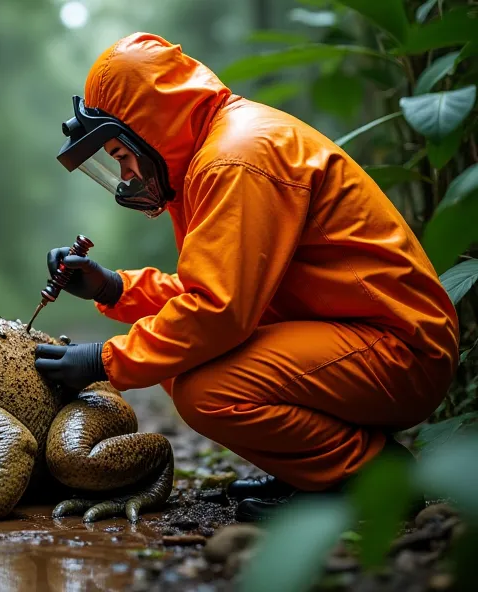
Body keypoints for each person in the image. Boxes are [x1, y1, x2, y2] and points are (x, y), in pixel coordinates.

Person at [33, 32, 460, 522]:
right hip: (365, 338)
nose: (127, 174)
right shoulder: (214, 155)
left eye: (122, 155)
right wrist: (115, 287)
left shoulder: (236, 159)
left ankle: (371, 476)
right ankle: (310, 471)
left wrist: (103, 360)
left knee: (205, 390)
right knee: (178, 359)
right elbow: (217, 292)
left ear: (150, 125)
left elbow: (218, 311)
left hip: (401, 350)